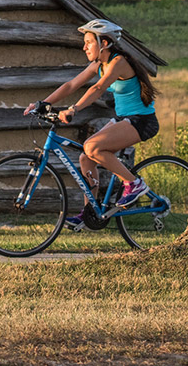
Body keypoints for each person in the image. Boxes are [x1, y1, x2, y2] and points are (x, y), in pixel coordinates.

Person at [24, 18, 159, 228]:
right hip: (123, 120)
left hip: (141, 121)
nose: (84, 46)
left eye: (88, 42)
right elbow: (71, 85)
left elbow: (97, 89)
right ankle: (90, 213)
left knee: (92, 146)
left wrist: (74, 109)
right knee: (85, 158)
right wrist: (42, 103)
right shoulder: (98, 64)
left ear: (104, 43)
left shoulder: (118, 62)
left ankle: (134, 183)